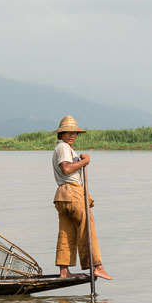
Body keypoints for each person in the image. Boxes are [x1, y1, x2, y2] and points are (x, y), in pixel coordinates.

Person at [52, 116, 113, 280]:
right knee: (87, 226)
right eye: (68, 132)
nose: (72, 135)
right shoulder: (63, 147)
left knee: (66, 232)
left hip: (62, 195)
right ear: (61, 134)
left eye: (74, 133)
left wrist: (79, 159)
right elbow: (66, 169)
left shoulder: (62, 148)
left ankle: (64, 271)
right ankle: (96, 266)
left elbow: (68, 166)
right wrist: (85, 161)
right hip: (72, 193)